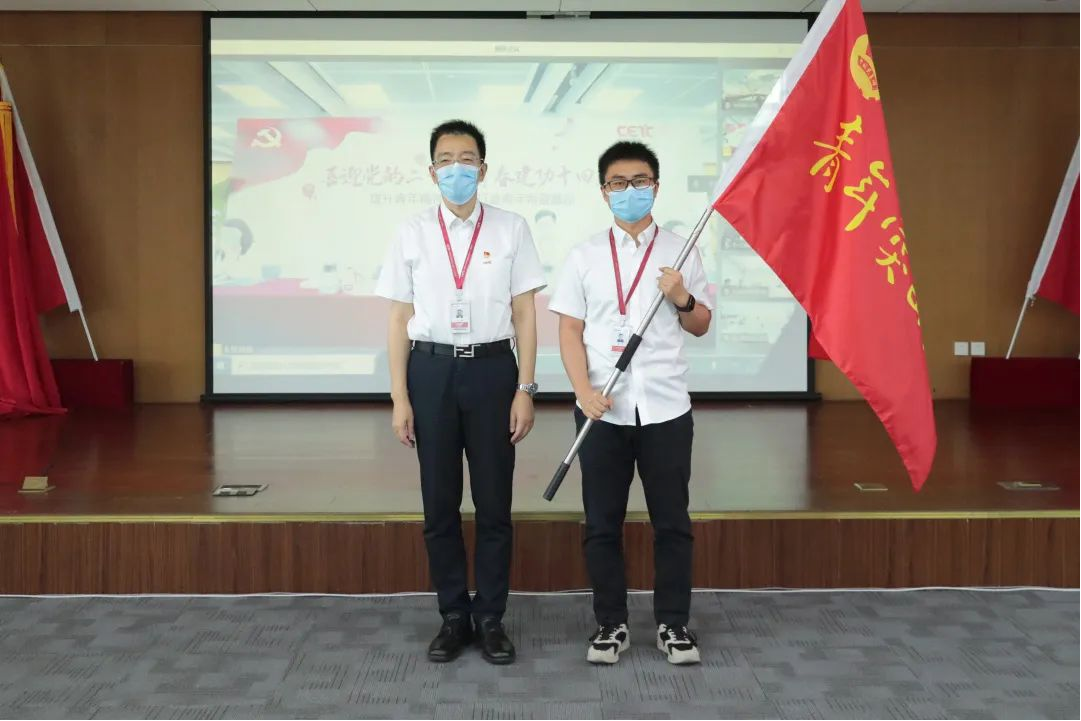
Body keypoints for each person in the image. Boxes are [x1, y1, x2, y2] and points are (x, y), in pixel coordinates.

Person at [375, 120, 546, 665]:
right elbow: (398, 317)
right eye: (446, 160)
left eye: (466, 159)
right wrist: (400, 397)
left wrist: (525, 388)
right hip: (431, 372)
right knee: (439, 503)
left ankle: (491, 616)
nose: (457, 169)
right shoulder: (412, 231)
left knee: (494, 503)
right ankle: (453, 615)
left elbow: (525, 313)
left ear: (483, 169)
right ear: (432, 172)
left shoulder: (511, 228)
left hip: (494, 371)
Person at [548, 141, 713, 665]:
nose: (629, 191)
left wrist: (682, 297)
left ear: (656, 187)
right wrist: (583, 392)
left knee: (672, 523)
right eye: (618, 183)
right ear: (604, 192)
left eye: (639, 181)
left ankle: (673, 624)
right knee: (602, 524)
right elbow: (569, 330)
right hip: (602, 410)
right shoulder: (584, 256)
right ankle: (611, 624)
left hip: (666, 407)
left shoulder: (682, 251)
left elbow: (701, 324)